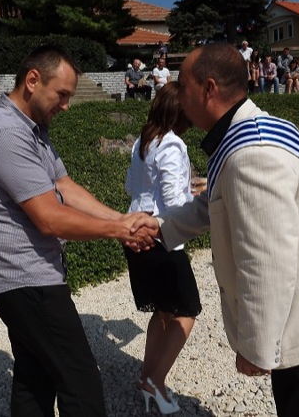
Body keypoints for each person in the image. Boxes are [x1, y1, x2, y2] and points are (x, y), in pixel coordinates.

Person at [128, 42, 299, 417]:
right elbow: (214, 203)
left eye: (183, 85)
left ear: (209, 88)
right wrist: (158, 227)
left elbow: (266, 262)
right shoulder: (251, 131)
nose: (177, 95)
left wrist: (257, 347)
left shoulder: (252, 154)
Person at [0, 44, 152, 417]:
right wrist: (118, 231)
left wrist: (121, 219)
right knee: (80, 383)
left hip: (21, 278)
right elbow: (50, 218)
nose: (66, 106)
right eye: (62, 94)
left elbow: (63, 185)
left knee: (35, 375)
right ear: (33, 80)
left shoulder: (30, 129)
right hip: (26, 280)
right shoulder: (6, 133)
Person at [124, 82, 201, 415]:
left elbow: (131, 185)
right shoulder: (172, 143)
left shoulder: (142, 141)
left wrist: (185, 189)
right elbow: (173, 203)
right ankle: (155, 381)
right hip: (160, 237)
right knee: (187, 310)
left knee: (164, 309)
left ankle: (146, 377)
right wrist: (196, 196)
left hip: (135, 230)